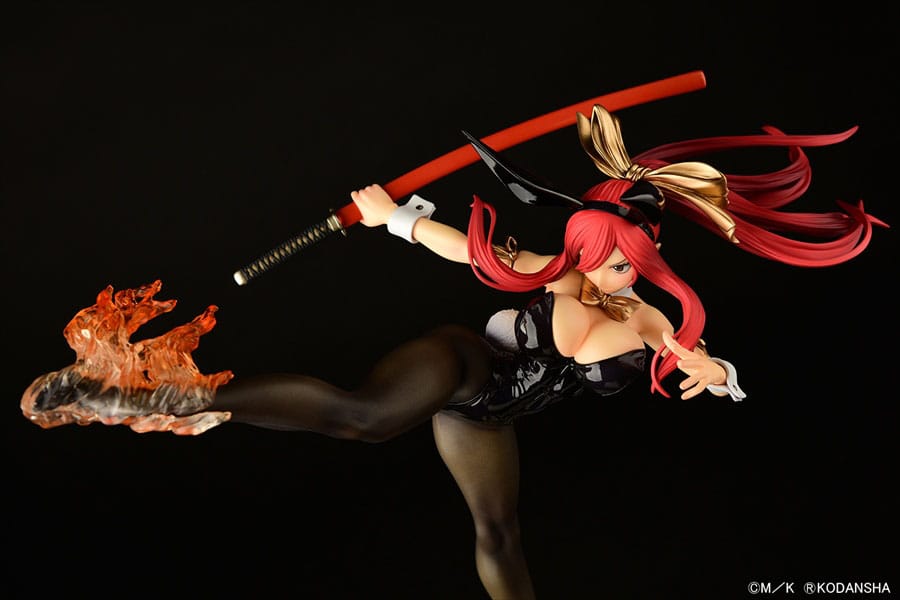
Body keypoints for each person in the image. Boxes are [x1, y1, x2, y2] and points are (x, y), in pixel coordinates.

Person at [20, 104, 885, 599]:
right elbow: (461, 249)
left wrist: (717, 372)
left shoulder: (650, 321)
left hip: (487, 416)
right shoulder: (555, 276)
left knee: (498, 530)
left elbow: (698, 355)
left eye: (632, 260)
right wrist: (394, 218)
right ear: (584, 248)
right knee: (364, 419)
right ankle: (175, 398)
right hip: (461, 364)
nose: (618, 271)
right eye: (607, 257)